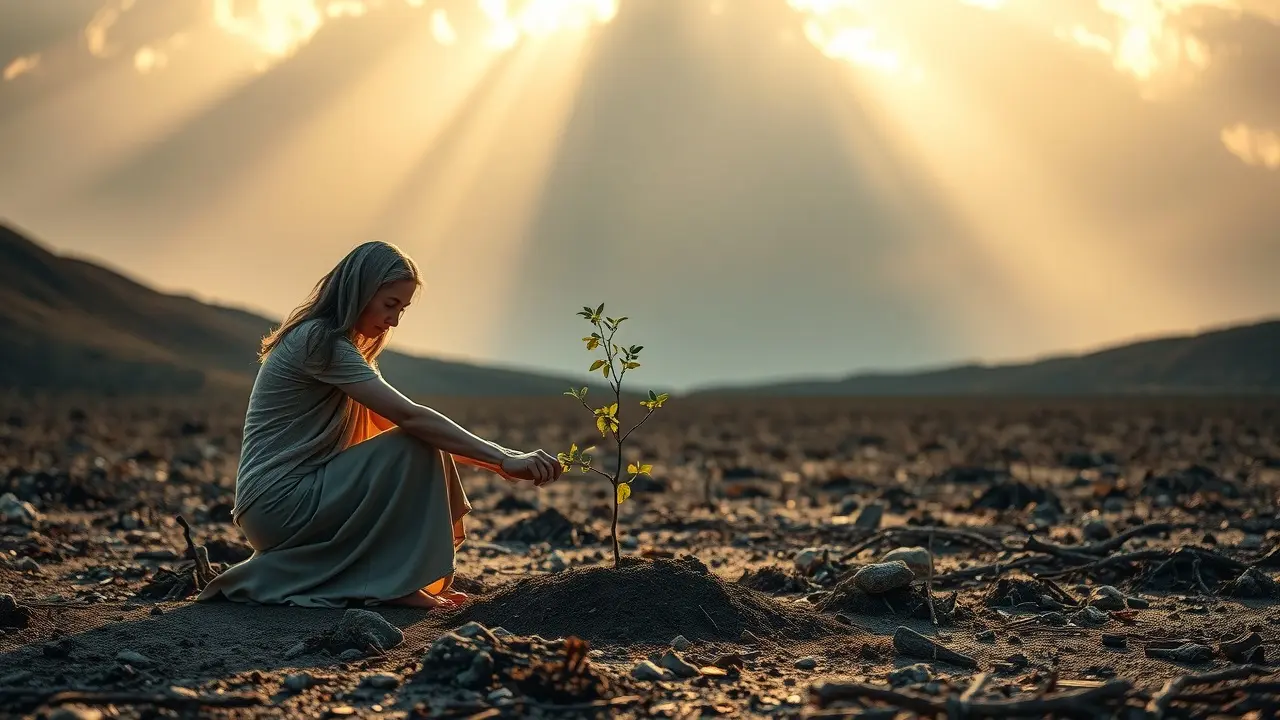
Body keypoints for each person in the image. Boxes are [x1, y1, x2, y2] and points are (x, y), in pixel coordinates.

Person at [197, 240, 564, 609]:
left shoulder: (344, 350)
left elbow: (401, 423)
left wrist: (500, 463)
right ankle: (398, 583)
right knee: (412, 443)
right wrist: (503, 458)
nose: (394, 320)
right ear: (360, 290)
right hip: (279, 504)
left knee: (414, 443)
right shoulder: (319, 342)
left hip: (283, 502)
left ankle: (394, 579)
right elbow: (411, 419)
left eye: (402, 309)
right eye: (390, 305)